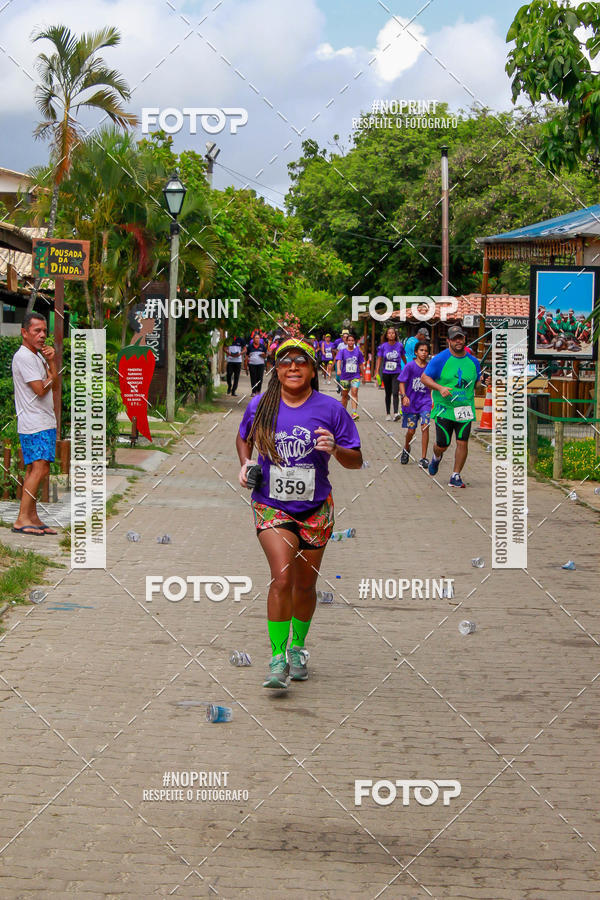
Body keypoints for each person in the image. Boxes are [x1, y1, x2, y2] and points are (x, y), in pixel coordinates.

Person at [236, 338, 362, 689]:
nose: (293, 367)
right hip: (271, 504)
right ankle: (277, 657)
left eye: (301, 361)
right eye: (286, 361)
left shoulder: (332, 409)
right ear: (276, 370)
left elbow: (357, 460)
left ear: (313, 369)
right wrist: (246, 463)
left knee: (306, 586)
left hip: (316, 509)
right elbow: (242, 437)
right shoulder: (261, 405)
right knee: (283, 577)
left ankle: (298, 648)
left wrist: (335, 449)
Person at [11, 312, 59, 535]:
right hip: (34, 422)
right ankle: (21, 519)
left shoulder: (37, 356)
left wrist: (50, 362)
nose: (42, 336)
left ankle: (33, 516)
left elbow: (54, 383)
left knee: (41, 468)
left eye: (44, 331)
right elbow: (41, 389)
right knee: (38, 468)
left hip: (43, 420)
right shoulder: (24, 357)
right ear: (24, 333)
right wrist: (51, 374)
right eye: (36, 331)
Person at [421, 325, 482, 489]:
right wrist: (440, 388)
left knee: (463, 442)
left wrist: (482, 383)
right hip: (444, 408)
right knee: (443, 444)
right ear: (448, 341)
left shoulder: (473, 361)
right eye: (454, 338)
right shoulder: (440, 359)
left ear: (464, 339)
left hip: (464, 409)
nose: (458, 341)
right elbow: (424, 378)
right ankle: (436, 456)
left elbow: (476, 384)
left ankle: (455, 475)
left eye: (460, 338)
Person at [397, 341, 432, 469]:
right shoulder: (410, 366)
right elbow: (401, 381)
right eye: (421, 350)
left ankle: (423, 458)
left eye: (426, 350)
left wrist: (432, 398)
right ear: (416, 352)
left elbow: (433, 383)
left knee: (425, 426)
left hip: (425, 402)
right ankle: (406, 447)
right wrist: (404, 396)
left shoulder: (429, 368)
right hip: (411, 403)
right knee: (411, 430)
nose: (424, 353)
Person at [373, 326, 406, 421]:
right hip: (386, 372)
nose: (391, 334)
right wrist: (376, 372)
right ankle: (388, 413)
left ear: (395, 335)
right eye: (389, 333)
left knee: (396, 392)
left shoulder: (399, 345)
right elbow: (379, 359)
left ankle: (396, 413)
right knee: (388, 393)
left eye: (393, 333)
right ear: (386, 335)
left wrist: (408, 366)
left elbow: (403, 357)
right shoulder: (383, 346)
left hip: (397, 372)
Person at [336, 333, 364, 420]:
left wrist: (363, 375)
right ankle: (343, 413)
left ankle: (354, 413)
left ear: (354, 341)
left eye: (352, 340)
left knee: (354, 392)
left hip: (355, 376)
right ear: (346, 341)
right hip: (345, 377)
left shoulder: (358, 352)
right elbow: (339, 361)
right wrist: (339, 370)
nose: (351, 342)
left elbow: (360, 364)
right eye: (349, 340)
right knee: (344, 395)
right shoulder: (343, 351)